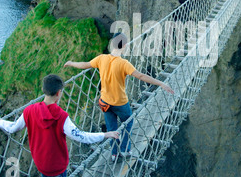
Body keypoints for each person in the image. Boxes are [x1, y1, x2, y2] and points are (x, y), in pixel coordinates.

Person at [0, 74, 119, 177]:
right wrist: (106, 134)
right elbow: (81, 136)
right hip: (57, 167)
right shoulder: (61, 117)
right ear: (58, 93)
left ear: (44, 90)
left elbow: (13, 128)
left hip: (40, 164)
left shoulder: (29, 111)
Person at [64, 32, 174, 162]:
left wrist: (71, 63)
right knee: (128, 122)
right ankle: (125, 149)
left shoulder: (101, 58)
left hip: (105, 102)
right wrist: (161, 83)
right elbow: (141, 76)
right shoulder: (124, 63)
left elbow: (84, 65)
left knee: (112, 129)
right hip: (120, 103)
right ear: (125, 46)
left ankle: (114, 154)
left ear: (112, 44)